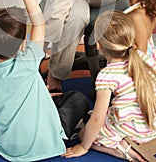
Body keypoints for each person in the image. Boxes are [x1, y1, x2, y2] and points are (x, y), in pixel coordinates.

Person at [0, 0, 89, 162]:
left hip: (10, 148)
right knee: (77, 98)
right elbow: (39, 21)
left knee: (51, 99)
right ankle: (71, 129)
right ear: (23, 43)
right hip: (46, 145)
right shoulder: (28, 61)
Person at [64, 10, 156, 161]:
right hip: (152, 126)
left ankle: (124, 150)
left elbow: (97, 119)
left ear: (98, 45)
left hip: (134, 131)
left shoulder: (107, 75)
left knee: (84, 134)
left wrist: (83, 146)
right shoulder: (143, 56)